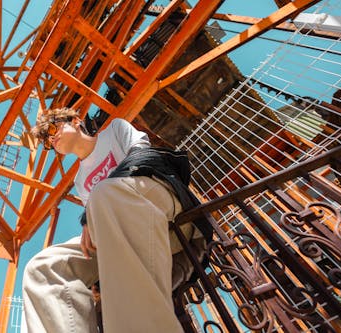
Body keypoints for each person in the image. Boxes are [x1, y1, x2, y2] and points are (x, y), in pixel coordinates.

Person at [22, 107, 208, 333]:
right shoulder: (80, 179)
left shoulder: (114, 131)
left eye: (53, 128)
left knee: (104, 194)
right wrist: (87, 219)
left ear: (76, 119)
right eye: (48, 142)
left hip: (160, 208)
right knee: (43, 267)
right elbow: (96, 220)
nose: (53, 139)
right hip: (119, 226)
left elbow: (144, 157)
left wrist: (90, 211)